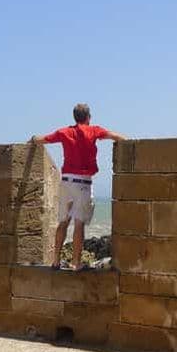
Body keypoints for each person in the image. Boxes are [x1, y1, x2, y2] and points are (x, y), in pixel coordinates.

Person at [31, 103, 127, 271]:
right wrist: (128, 140)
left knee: (63, 222)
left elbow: (43, 139)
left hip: (66, 182)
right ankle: (76, 263)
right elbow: (115, 136)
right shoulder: (94, 130)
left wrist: (32, 139)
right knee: (79, 223)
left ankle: (55, 261)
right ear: (88, 117)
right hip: (83, 183)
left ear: (75, 117)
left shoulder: (64, 132)